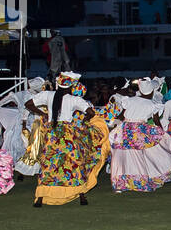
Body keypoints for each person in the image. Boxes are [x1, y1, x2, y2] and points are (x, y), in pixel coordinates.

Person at [27, 72, 110, 207]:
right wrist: (84, 121)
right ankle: (81, 195)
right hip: (68, 135)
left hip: (52, 134)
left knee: (49, 163)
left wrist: (43, 114)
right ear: (71, 86)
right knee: (74, 163)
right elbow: (91, 112)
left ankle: (41, 197)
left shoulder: (47, 95)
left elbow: (28, 104)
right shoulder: (74, 99)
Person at [107, 77, 171, 192]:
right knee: (140, 156)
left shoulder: (129, 100)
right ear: (151, 91)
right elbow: (156, 121)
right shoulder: (152, 104)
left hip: (125, 129)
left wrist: (114, 127)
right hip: (139, 131)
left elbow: (121, 116)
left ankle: (120, 184)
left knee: (123, 157)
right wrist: (162, 135)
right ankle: (141, 183)